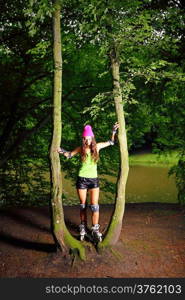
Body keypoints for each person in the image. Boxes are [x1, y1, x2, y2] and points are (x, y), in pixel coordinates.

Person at [57, 122, 119, 242]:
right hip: (82, 179)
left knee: (95, 206)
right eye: (85, 138)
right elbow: (69, 155)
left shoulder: (98, 147)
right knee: (83, 206)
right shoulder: (81, 148)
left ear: (92, 137)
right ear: (83, 139)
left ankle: (95, 229)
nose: (87, 140)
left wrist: (113, 131)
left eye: (89, 138)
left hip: (93, 180)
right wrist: (59, 150)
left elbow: (111, 142)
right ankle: (83, 227)